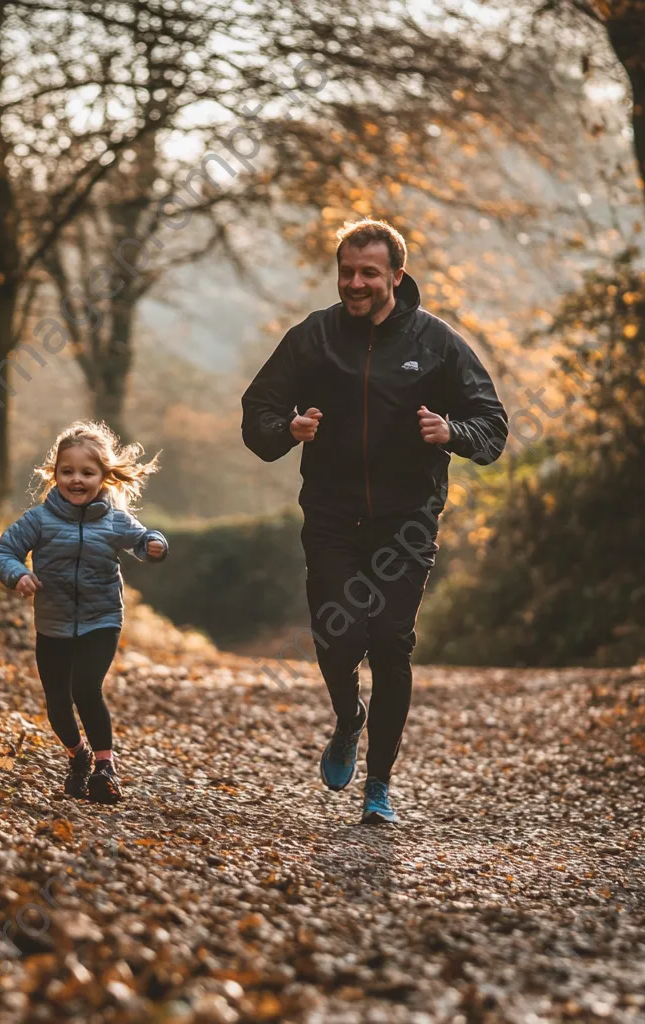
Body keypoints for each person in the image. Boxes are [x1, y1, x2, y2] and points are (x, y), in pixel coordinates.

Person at [241, 218, 508, 824]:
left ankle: (379, 785)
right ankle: (348, 718)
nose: (355, 283)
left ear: (396, 276)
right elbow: (257, 411)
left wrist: (452, 431)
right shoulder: (314, 338)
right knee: (337, 637)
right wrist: (288, 429)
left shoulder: (436, 343)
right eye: (347, 272)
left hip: (407, 519)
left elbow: (492, 426)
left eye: (368, 272)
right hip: (332, 514)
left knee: (389, 641)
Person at [0, 421, 168, 804]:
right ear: (54, 475)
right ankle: (78, 756)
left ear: (104, 475)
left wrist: (155, 544)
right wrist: (17, 573)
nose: (76, 480)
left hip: (101, 618)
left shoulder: (114, 519)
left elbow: (143, 538)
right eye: (67, 471)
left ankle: (106, 767)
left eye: (87, 472)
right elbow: (3, 552)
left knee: (85, 688)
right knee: (56, 702)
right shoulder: (39, 520)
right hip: (52, 622)